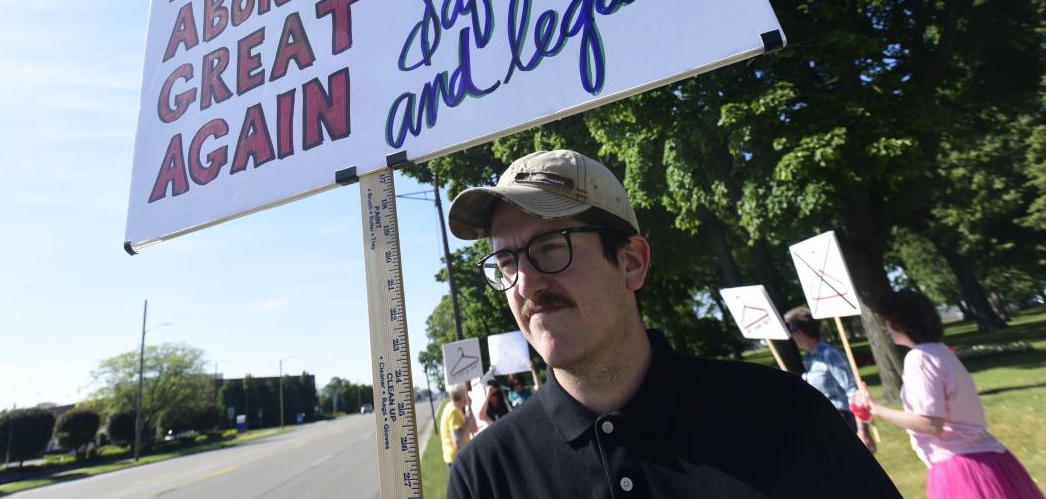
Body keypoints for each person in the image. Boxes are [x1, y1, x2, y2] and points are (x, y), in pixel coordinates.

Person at [445, 149, 899, 498]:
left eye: (549, 247)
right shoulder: (485, 476)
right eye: (506, 262)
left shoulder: (785, 414)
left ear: (631, 263)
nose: (525, 284)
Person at [851, 290, 1043, 499]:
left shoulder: (920, 358)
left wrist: (876, 409)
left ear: (899, 321)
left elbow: (931, 424)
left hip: (962, 467)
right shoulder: (940, 351)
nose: (884, 326)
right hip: (991, 460)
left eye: (886, 320)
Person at [784, 305, 875, 450]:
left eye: (790, 331)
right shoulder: (808, 358)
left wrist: (862, 430)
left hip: (845, 421)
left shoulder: (829, 354)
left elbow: (853, 391)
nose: (790, 337)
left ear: (799, 331)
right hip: (825, 421)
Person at [439, 382, 476, 469]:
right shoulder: (453, 412)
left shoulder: (453, 408)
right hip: (456, 460)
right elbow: (457, 443)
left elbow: (474, 429)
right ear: (462, 396)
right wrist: (467, 422)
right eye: (466, 393)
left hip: (457, 458)